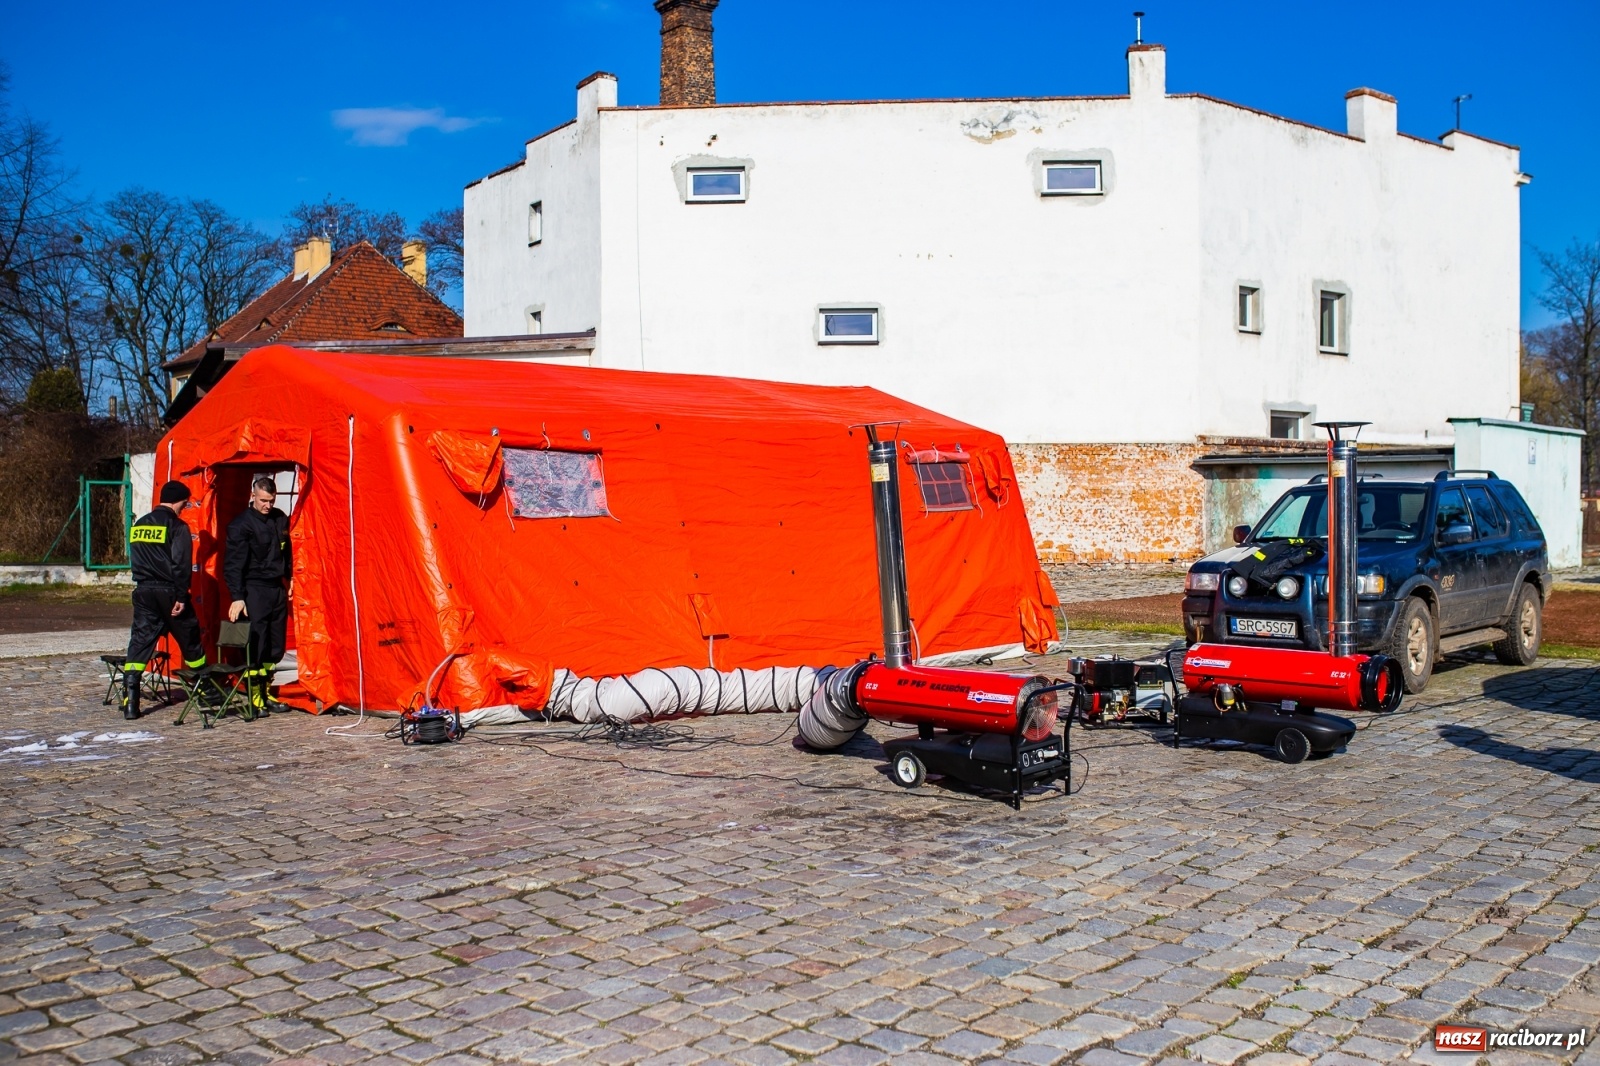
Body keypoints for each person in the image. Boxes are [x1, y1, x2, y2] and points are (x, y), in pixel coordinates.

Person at [124, 480, 207, 720]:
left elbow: (137, 559)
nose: (185, 507)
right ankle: (205, 689)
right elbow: (181, 565)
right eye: (185, 503)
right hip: (169, 592)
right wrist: (181, 595)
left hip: (143, 591)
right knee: (190, 637)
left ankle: (131, 700)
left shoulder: (139, 525)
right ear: (178, 500)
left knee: (140, 642)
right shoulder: (177, 526)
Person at [224, 476, 293, 715]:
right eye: (263, 500)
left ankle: (267, 693)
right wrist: (237, 596)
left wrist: (290, 577)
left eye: (271, 501)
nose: (268, 505)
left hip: (276, 587)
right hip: (253, 588)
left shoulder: (279, 518)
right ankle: (255, 698)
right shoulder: (241, 525)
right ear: (253, 496)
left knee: (275, 647)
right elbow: (233, 565)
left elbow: (288, 551)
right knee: (257, 644)